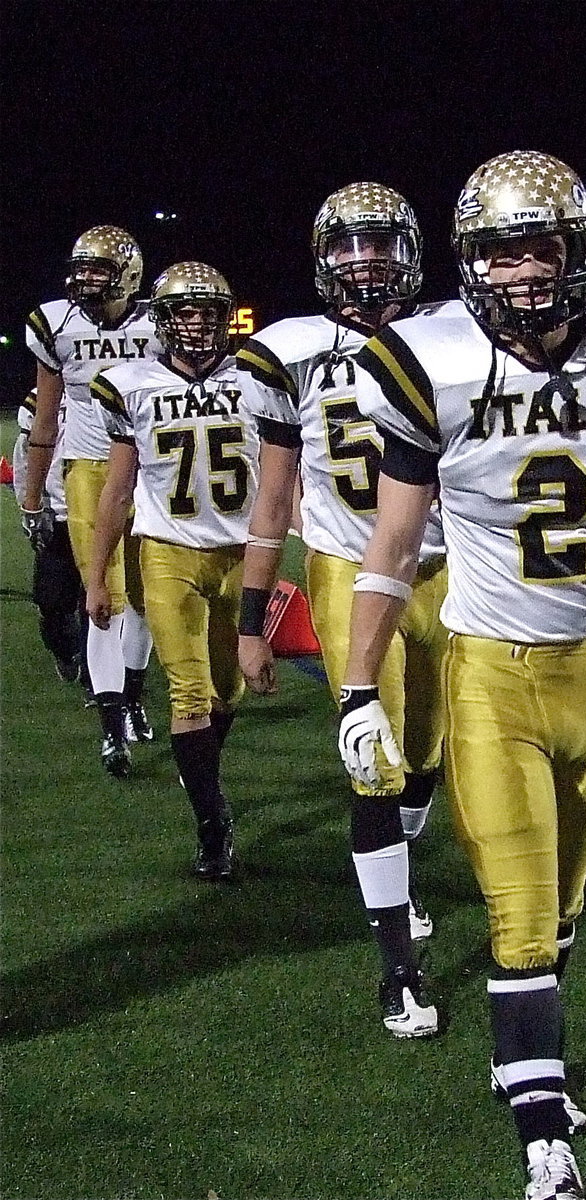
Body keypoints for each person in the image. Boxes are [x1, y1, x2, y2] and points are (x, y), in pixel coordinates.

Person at [339, 151, 586, 1200]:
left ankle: (530, 1057)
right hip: (489, 678)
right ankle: (543, 1133)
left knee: (560, 913)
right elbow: (391, 546)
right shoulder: (432, 365)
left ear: (579, 251)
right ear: (470, 264)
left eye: (539, 247)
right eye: (500, 253)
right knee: (516, 916)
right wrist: (356, 685)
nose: (520, 274)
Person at [235, 183, 451, 1037]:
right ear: (324, 260)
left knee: (428, 758)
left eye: (381, 244)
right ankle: (398, 966)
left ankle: (400, 863)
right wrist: (253, 621)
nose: (366, 262)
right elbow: (272, 499)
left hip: (447, 569)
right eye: (349, 247)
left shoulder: (451, 333)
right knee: (373, 758)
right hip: (344, 570)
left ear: (411, 250)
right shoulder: (290, 352)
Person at [87, 262, 259, 881]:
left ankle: (205, 781)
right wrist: (97, 571)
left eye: (209, 313)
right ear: (163, 319)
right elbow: (116, 487)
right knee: (187, 691)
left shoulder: (257, 379)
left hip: (241, 551)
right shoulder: (130, 385)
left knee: (226, 690)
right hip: (166, 548)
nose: (198, 324)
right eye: (185, 313)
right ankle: (213, 826)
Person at [23, 226, 159, 778]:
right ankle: (111, 723)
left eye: (98, 270)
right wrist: (33, 496)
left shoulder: (159, 321)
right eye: (81, 268)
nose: (85, 280)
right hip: (88, 469)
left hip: (150, 468)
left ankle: (132, 694)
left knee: (149, 593)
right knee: (105, 596)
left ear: (127, 272)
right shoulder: (55, 323)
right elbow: (45, 415)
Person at [13, 387, 87, 691]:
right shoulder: (42, 397)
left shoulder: (119, 388)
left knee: (104, 604)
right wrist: (30, 505)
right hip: (59, 515)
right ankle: (67, 651)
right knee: (52, 603)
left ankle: (104, 684)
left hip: (105, 514)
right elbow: (24, 456)